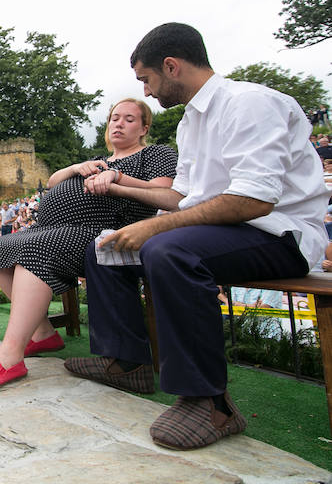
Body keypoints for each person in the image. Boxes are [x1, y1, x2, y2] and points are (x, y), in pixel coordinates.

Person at [64, 23, 328, 451]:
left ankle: (211, 403)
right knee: (105, 246)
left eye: (146, 80)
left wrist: (152, 226)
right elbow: (181, 198)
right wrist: (122, 196)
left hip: (282, 235)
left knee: (169, 249)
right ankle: (127, 363)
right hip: (223, 232)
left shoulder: (249, 103)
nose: (147, 92)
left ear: (171, 66)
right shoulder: (190, 124)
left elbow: (253, 201)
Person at [0, 98, 176, 390]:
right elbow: (52, 182)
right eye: (115, 118)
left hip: (106, 231)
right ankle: (42, 333)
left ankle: (9, 357)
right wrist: (77, 167)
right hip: (56, 228)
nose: (119, 123)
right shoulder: (98, 159)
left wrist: (118, 178)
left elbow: (165, 192)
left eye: (129, 119)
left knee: (34, 249)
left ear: (144, 128)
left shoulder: (155, 153)